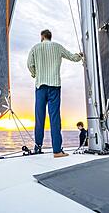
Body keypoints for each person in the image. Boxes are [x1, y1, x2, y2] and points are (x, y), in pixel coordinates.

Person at [27, 29, 82, 158]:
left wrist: (35, 74)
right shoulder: (57, 47)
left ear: (42, 37)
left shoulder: (35, 47)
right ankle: (57, 150)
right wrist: (80, 55)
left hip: (40, 86)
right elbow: (72, 57)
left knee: (39, 118)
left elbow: (30, 64)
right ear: (50, 37)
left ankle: (38, 148)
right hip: (54, 86)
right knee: (55, 118)